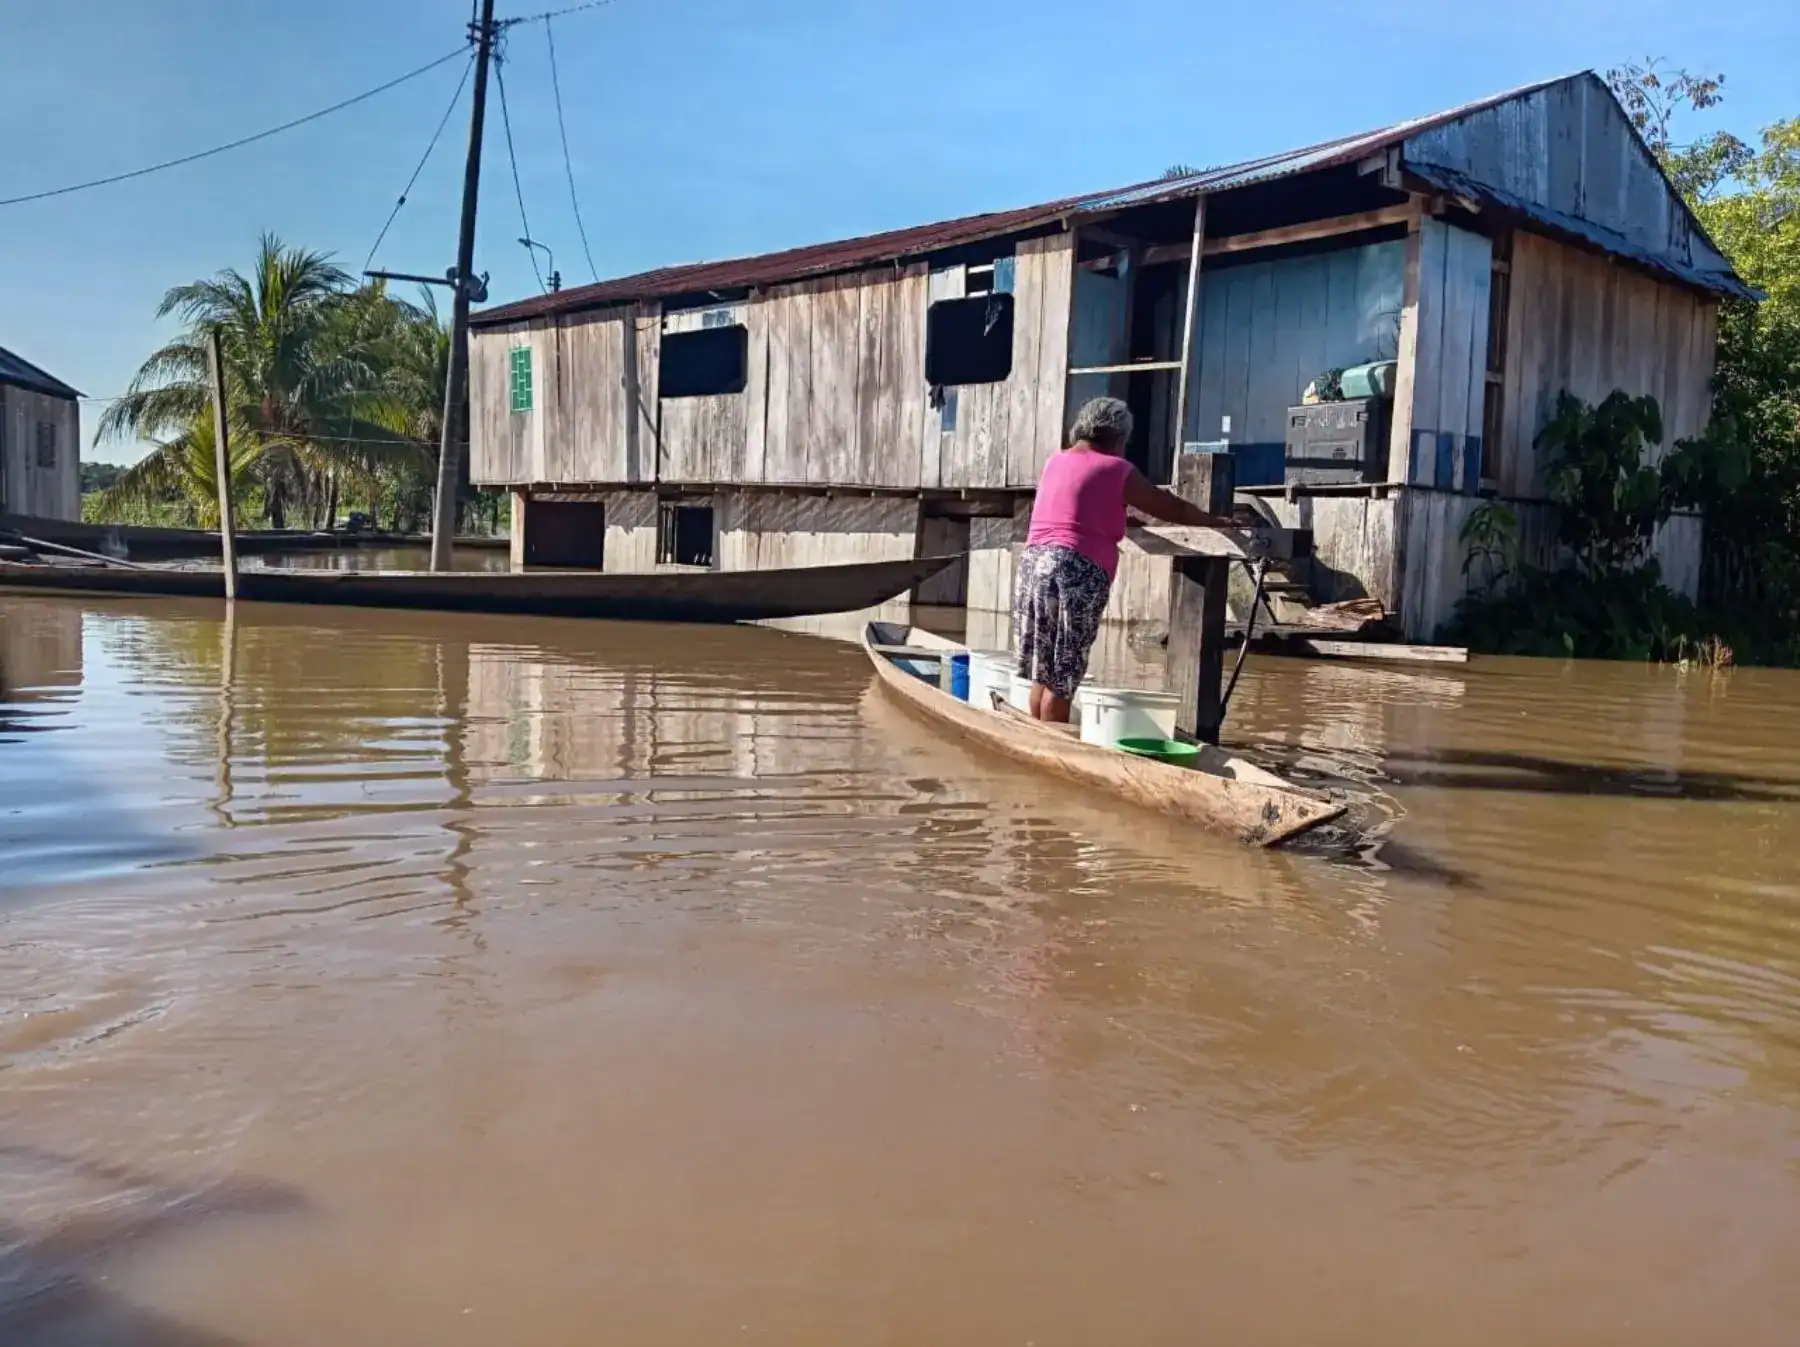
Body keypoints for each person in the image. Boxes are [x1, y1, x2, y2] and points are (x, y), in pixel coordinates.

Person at [1014, 396, 1236, 723]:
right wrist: (1213, 521)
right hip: (1073, 570)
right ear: (1119, 439)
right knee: (1063, 678)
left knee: (1043, 672)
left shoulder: (1056, 461)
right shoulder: (1117, 469)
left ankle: (1034, 740)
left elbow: (1082, 508)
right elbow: (1167, 506)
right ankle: (1054, 749)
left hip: (1033, 565)